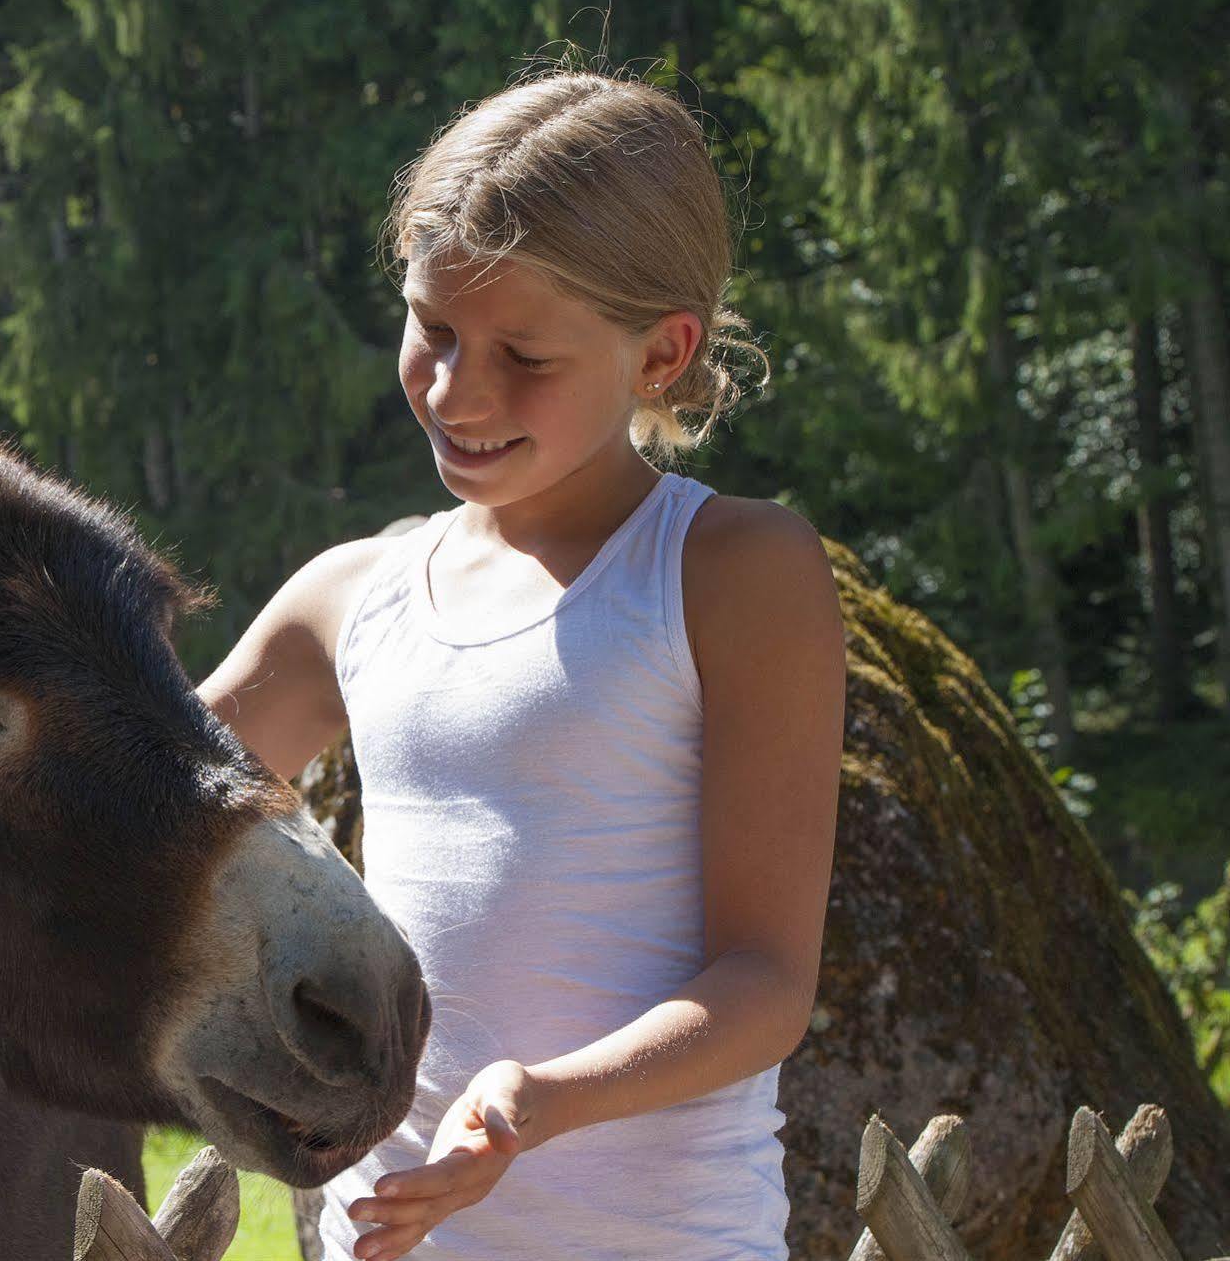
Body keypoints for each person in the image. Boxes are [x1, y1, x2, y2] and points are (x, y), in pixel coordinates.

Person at [195, 67, 847, 1260]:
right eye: (431, 329)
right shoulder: (354, 596)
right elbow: (129, 805)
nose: (455, 389)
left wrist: (536, 1101)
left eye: (523, 357)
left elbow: (764, 982)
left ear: (662, 354)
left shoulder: (733, 570)